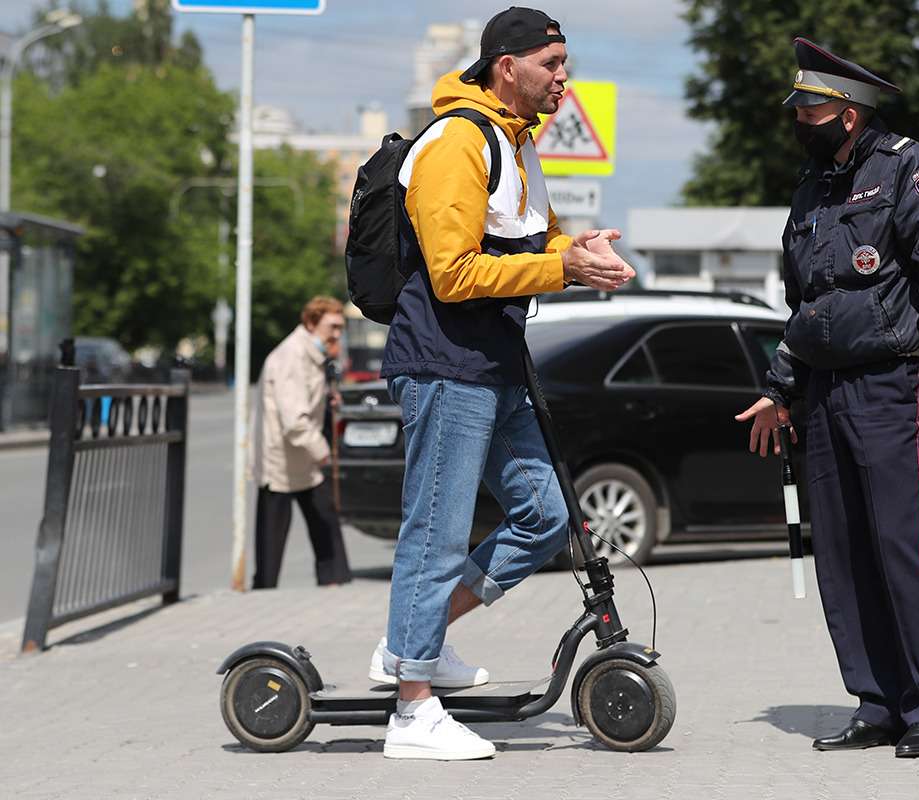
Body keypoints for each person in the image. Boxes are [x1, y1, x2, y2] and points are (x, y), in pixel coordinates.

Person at [375, 7, 635, 761]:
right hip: (444, 364)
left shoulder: (516, 144)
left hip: (495, 366)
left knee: (544, 516)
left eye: (566, 63)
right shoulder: (459, 141)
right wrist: (562, 269)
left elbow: (534, 238)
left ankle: (408, 644)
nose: (564, 78)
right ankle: (412, 708)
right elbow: (454, 273)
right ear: (505, 66)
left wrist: (574, 248)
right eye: (552, 63)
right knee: (436, 531)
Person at [736, 37, 919, 759]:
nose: (798, 117)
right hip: (824, 395)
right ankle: (877, 702)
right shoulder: (812, 187)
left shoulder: (909, 167)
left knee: (898, 548)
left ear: (847, 112)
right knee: (841, 556)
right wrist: (780, 389)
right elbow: (808, 304)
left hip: (892, 388)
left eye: (809, 106)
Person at [251, 296, 352, 589]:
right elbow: (294, 419)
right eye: (332, 327)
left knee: (325, 521)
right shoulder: (292, 356)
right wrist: (322, 452)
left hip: (303, 460)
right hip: (281, 462)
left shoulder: (312, 354)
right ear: (310, 323)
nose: (337, 334)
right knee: (272, 537)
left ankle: (334, 583)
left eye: (340, 327)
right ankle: (264, 593)